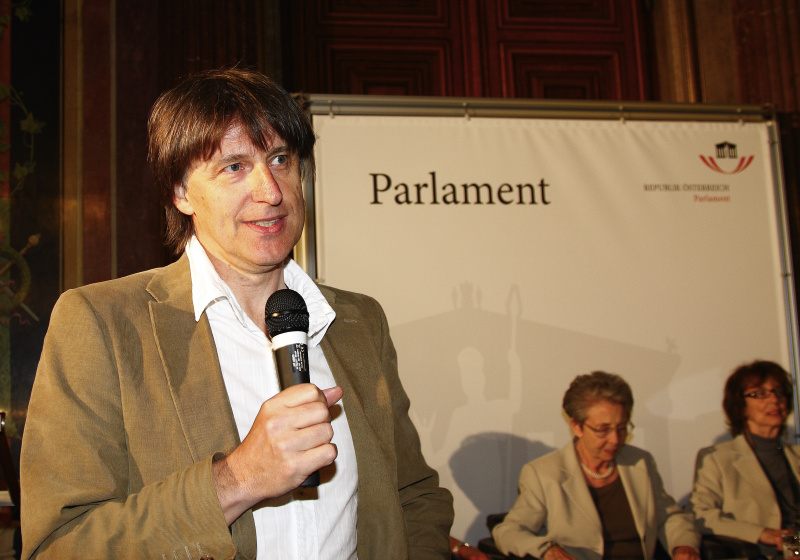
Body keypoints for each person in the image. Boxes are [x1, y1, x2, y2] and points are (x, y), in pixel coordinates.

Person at [19, 67, 454, 559]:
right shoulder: (103, 324)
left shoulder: (358, 320)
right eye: (233, 166)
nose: (271, 191)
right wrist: (238, 478)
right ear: (181, 193)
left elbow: (414, 497)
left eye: (280, 159)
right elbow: (59, 546)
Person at [492, 371, 700, 560]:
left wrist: (683, 545)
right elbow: (509, 531)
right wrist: (547, 550)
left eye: (621, 428)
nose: (615, 439)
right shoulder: (543, 474)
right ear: (577, 426)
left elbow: (670, 517)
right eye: (603, 430)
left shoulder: (640, 463)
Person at [688, 360, 800, 559]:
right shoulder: (717, 459)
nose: (774, 399)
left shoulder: (796, 455)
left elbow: (792, 528)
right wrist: (762, 533)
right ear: (741, 407)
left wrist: (794, 548)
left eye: (779, 392)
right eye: (760, 394)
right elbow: (700, 515)